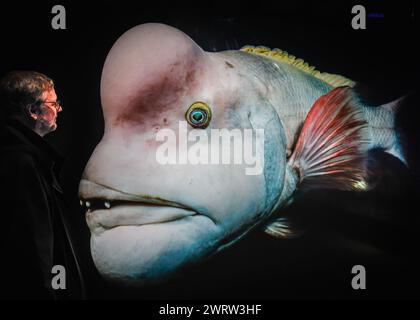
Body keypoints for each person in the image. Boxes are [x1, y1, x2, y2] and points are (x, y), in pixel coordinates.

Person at [0, 71, 84, 299]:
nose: (59, 109)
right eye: (53, 103)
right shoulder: (22, 164)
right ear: (33, 111)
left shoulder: (25, 159)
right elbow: (34, 249)